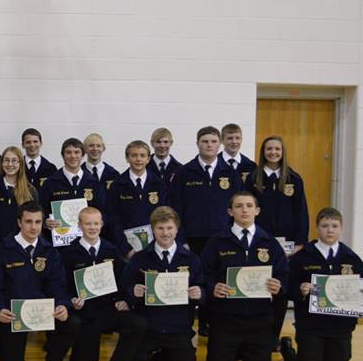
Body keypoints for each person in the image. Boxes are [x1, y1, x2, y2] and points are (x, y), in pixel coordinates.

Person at [0, 201, 79, 361]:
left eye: (37, 222)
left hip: (44, 314)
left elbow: (58, 285)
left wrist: (62, 305)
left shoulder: (50, 251)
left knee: (72, 323)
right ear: (19, 222)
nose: (33, 227)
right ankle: (4, 344)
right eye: (28, 222)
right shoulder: (2, 250)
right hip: (13, 315)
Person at [201, 192, 288, 361]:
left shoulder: (270, 243)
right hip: (226, 319)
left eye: (249, 205)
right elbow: (203, 274)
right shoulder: (217, 242)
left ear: (257, 211)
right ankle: (232, 355)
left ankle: (245, 357)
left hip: (259, 320)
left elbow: (284, 275)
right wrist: (213, 286)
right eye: (239, 206)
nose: (245, 210)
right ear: (230, 212)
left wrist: (278, 286)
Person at [281, 207, 363, 361]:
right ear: (317, 228)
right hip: (311, 326)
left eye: (334, 226)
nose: (330, 230)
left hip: (340, 328)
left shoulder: (351, 257)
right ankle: (288, 351)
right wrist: (300, 289)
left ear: (341, 229)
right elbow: (287, 286)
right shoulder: (302, 257)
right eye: (325, 225)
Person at [120, 206, 204, 361]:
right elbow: (124, 286)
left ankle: (165, 356)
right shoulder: (140, 258)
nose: (165, 233)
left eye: (169, 228)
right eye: (160, 228)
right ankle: (157, 354)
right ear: (153, 229)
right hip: (149, 327)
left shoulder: (191, 259)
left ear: (177, 229)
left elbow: (203, 288)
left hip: (178, 328)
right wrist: (132, 291)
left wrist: (200, 293)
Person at [63, 207, 145, 361]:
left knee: (138, 325)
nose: (92, 228)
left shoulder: (111, 250)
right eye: (87, 224)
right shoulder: (69, 253)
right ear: (79, 226)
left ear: (102, 224)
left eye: (96, 223)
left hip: (108, 310)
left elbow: (124, 280)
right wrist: (71, 300)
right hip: (84, 315)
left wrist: (126, 300)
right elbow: (63, 285)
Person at [250, 135, 309, 347]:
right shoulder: (253, 178)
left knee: (280, 288)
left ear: (282, 152)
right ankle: (257, 334)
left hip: (287, 246)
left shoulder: (293, 178)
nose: (273, 153)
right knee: (259, 286)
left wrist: (300, 241)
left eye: (277, 149)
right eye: (269, 149)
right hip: (259, 242)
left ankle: (274, 336)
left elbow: (301, 211)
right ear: (263, 152)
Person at [170, 126, 242, 256]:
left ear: (220, 144)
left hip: (223, 236)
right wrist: (181, 239)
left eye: (214, 141)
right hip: (193, 238)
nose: (209, 145)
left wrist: (233, 234)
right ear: (197, 144)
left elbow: (237, 205)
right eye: (205, 141)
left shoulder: (231, 173)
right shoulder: (184, 172)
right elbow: (176, 208)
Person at [106, 140, 170, 258]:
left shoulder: (159, 184)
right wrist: (126, 249)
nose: (138, 159)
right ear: (127, 158)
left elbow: (165, 217)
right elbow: (113, 221)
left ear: (148, 159)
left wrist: (161, 243)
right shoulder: (117, 185)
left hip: (156, 246)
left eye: (142, 155)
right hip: (127, 248)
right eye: (134, 155)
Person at [39, 137, 106, 234]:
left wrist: (100, 222)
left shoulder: (94, 183)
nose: (73, 156)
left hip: (85, 240)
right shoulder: (50, 183)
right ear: (63, 155)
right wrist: (45, 222)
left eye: (77, 152)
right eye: (68, 152)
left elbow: (103, 212)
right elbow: (40, 210)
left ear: (83, 155)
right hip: (60, 243)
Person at [0, 146, 39, 252]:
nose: (10, 164)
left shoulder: (30, 191)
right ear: (1, 163)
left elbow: (32, 221)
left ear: (20, 164)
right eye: (6, 160)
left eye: (14, 161)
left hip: (22, 248)